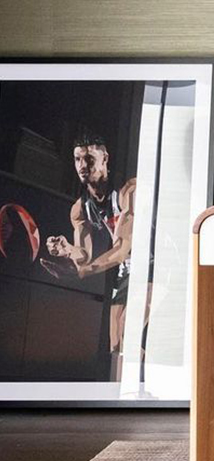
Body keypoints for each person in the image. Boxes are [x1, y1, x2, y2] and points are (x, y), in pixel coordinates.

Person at [39, 133, 137, 381]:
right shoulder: (79, 209)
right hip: (127, 270)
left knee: (126, 332)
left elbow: (123, 249)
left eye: (89, 159)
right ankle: (124, 398)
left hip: (157, 263)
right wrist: (67, 250)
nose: (83, 166)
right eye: (77, 159)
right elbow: (85, 256)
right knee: (117, 345)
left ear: (105, 159)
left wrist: (83, 270)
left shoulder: (129, 191)